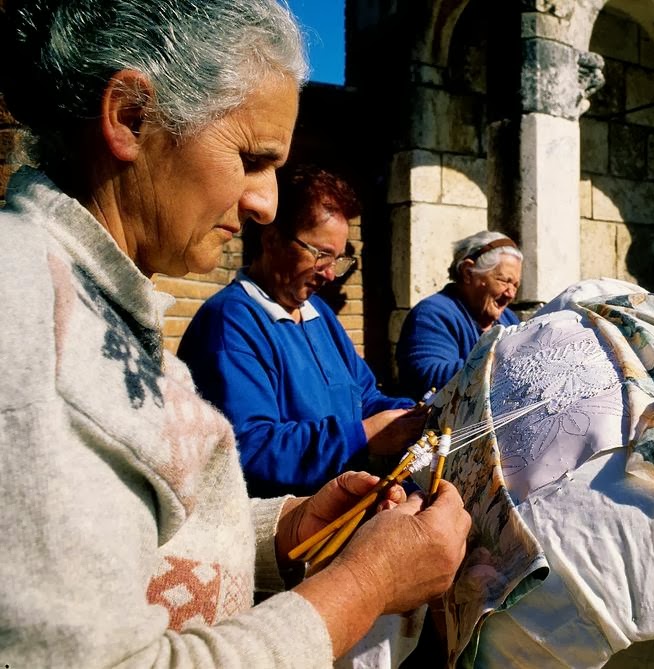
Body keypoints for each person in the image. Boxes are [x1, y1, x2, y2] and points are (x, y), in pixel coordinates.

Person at [0, 1, 471, 666]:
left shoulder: (97, 310)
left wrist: (286, 528)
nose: (262, 203)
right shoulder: (34, 331)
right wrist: (365, 584)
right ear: (130, 117)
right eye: (250, 158)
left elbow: (147, 538)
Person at [178, 164, 426, 498]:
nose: (331, 274)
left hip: (336, 504)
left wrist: (415, 413)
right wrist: (363, 435)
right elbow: (250, 449)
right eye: (321, 255)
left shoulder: (316, 312)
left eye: (339, 259)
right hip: (283, 529)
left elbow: (363, 396)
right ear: (272, 239)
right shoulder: (229, 324)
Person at [395, 230, 523, 399]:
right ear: (468, 272)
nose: (510, 294)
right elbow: (429, 379)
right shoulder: (432, 314)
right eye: (504, 281)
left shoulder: (508, 318)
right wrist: (507, 363)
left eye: (515, 285)